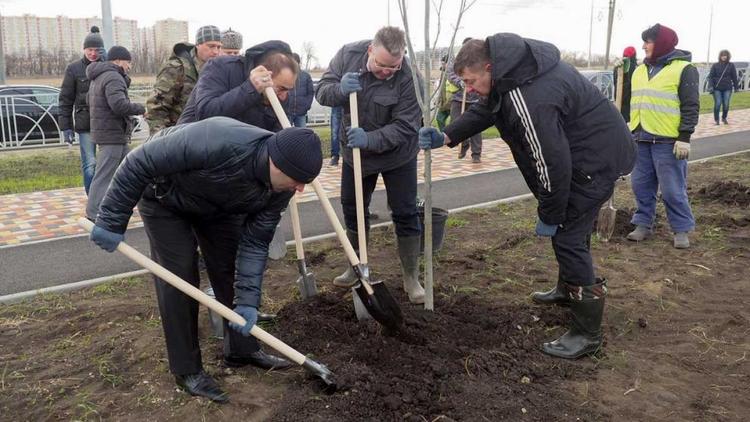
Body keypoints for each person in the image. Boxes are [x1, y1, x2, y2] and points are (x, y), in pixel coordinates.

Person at [419, 34, 636, 359]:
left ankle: (586, 334)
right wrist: (449, 134)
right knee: (570, 232)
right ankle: (567, 290)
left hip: (593, 162)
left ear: (489, 67)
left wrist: (550, 214)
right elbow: (487, 110)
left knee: (567, 237)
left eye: (470, 80)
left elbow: (551, 160)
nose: (468, 89)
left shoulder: (530, 95)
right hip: (591, 153)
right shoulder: (512, 74)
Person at [87, 117, 323, 403]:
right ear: (277, 164)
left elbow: (256, 242)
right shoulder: (218, 138)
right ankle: (187, 370)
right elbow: (139, 161)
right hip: (165, 198)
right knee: (179, 276)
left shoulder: (279, 190)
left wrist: (247, 302)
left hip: (219, 206)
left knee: (229, 266)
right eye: (298, 181)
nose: (300, 189)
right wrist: (112, 219)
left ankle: (241, 349)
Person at [316, 26, 425, 304]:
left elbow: (406, 126)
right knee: (352, 208)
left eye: (394, 66)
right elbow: (322, 93)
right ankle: (356, 266)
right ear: (370, 51)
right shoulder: (347, 55)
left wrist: (370, 138)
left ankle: (411, 276)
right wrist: (339, 90)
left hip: (398, 155)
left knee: (405, 211)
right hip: (356, 154)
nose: (387, 71)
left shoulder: (410, 77)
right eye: (381, 64)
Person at [177, 40, 300, 261]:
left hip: (236, 177)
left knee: (233, 254)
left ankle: (231, 280)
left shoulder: (281, 98)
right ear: (265, 76)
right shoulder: (220, 69)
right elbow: (207, 113)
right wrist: (250, 89)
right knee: (191, 253)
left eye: (288, 91)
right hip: (194, 170)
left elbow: (275, 135)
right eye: (281, 89)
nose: (284, 96)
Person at [626, 23, 699, 249]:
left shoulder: (684, 69)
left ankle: (680, 229)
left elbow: (690, 105)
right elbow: (628, 101)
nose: (644, 46)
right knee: (640, 185)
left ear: (662, 43)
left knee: (672, 188)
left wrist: (684, 136)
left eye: (648, 41)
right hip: (641, 137)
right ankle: (643, 224)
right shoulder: (639, 70)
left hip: (668, 141)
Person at [85, 46, 145, 221]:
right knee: (104, 176)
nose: (129, 66)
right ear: (118, 60)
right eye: (128, 62)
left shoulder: (99, 76)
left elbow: (90, 101)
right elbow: (119, 106)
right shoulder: (113, 77)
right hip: (112, 135)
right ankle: (93, 213)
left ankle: (143, 205)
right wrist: (142, 109)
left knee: (135, 170)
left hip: (110, 133)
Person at [145, 25, 222, 135]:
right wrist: (162, 141)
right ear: (198, 45)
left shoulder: (216, 70)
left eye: (219, 47)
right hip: (177, 136)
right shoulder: (177, 68)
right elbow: (156, 108)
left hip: (205, 136)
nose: (216, 52)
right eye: (211, 46)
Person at [58, 26, 104, 195]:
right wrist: (66, 126)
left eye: (97, 50)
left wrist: (109, 64)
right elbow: (65, 99)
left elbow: (123, 85)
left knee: (108, 164)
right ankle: (93, 200)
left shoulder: (107, 65)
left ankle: (106, 198)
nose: (93, 53)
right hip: (85, 125)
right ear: (84, 49)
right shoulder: (74, 68)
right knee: (90, 164)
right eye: (90, 49)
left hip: (107, 123)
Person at [449, 37, 483, 163]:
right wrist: (462, 82)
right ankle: (463, 145)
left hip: (475, 100)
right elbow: (450, 74)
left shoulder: (478, 62)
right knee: (456, 123)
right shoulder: (456, 62)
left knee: (476, 126)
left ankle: (476, 154)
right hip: (458, 98)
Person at [708, 49, 740, 125]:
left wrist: (736, 87)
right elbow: (711, 77)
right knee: (718, 103)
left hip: (727, 88)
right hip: (716, 88)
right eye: (722, 55)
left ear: (728, 56)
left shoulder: (731, 65)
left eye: (725, 55)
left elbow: (734, 77)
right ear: (720, 56)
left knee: (726, 104)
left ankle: (724, 118)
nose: (724, 57)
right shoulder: (715, 65)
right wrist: (711, 86)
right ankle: (716, 120)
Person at [283, 53, 315, 127]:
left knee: (302, 135)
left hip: (301, 112)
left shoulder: (306, 76)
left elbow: (311, 92)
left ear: (298, 62)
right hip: (288, 112)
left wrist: (307, 106)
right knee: (286, 134)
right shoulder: (285, 75)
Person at [613, 46, 637, 122]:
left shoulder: (618, 66)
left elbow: (615, 83)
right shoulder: (635, 68)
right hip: (630, 104)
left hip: (619, 102)